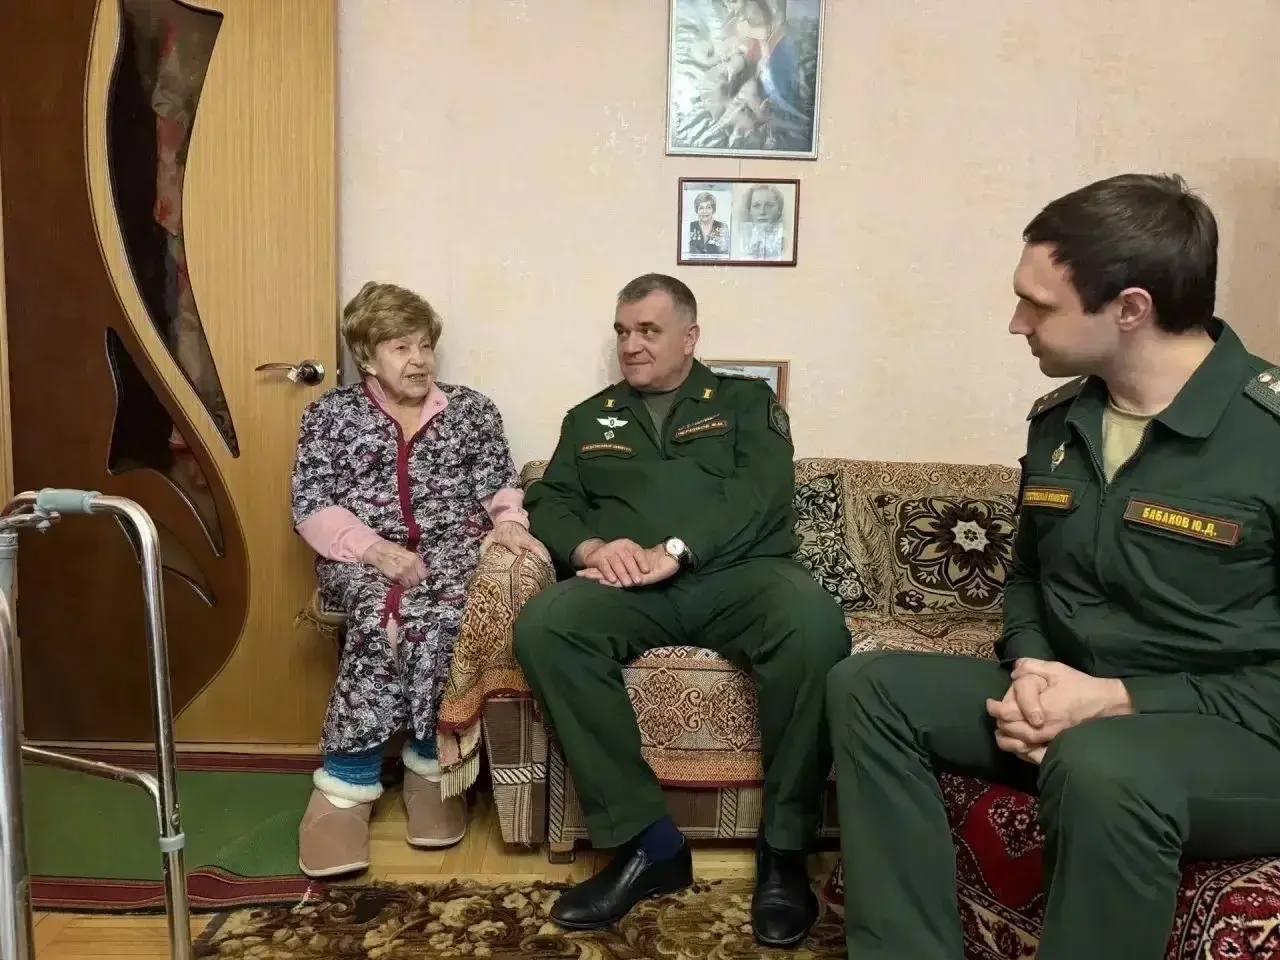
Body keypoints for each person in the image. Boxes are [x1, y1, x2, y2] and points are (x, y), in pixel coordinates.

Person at [827, 173, 1280, 960]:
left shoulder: (1266, 433)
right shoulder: (1063, 421)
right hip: (1071, 704)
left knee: (1102, 763)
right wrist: (1034, 667)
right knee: (866, 686)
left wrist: (1117, 701)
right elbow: (1031, 579)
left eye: (1037, 304)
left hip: (1236, 733)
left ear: (1130, 309)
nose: (1016, 323)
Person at [513, 273, 848, 946]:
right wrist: (592, 547)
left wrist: (677, 548)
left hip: (741, 578)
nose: (630, 345)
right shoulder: (590, 417)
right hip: (633, 588)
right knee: (547, 626)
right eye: (622, 332)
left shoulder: (745, 402)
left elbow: (761, 493)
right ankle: (649, 844)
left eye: (648, 330)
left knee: (813, 625)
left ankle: (785, 848)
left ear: (689, 338)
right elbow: (550, 499)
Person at [291, 281, 547, 878]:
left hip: (451, 550)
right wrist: (376, 551)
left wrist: (509, 523)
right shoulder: (330, 416)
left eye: (425, 345)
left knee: (445, 611)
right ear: (367, 357)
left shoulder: (471, 410)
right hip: (358, 555)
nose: (419, 360)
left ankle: (429, 764)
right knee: (379, 612)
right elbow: (311, 505)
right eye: (401, 347)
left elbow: (499, 484)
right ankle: (348, 782)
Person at [738, 183, 786, 260]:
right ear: (750, 211)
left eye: (769, 205)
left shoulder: (787, 242)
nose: (762, 212)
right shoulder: (741, 242)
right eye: (756, 206)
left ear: (779, 210)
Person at [687, 191, 730, 257]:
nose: (705, 211)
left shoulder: (722, 227)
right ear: (697, 210)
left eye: (708, 207)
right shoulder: (690, 226)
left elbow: (726, 254)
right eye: (701, 208)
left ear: (713, 209)